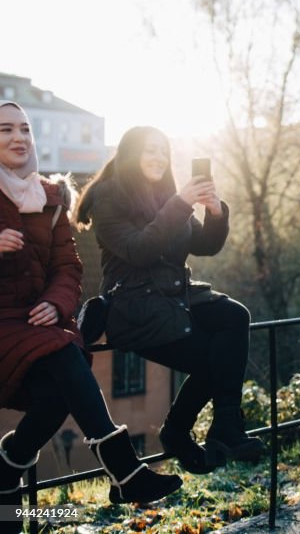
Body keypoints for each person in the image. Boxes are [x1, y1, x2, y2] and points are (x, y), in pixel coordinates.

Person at [0, 103, 181, 530]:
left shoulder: (51, 196)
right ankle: (124, 470)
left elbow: (68, 266)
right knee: (68, 354)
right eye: (5, 129)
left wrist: (57, 304)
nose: (18, 137)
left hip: (38, 321)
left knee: (58, 390)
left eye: (25, 128)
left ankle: (8, 473)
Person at [74, 127, 263, 474]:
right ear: (131, 154)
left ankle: (226, 425)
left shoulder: (165, 194)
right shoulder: (109, 197)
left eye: (164, 151)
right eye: (150, 151)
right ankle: (178, 430)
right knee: (211, 359)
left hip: (176, 296)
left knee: (235, 316)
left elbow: (204, 244)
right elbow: (139, 250)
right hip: (135, 308)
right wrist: (180, 203)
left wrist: (215, 211)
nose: (159, 158)